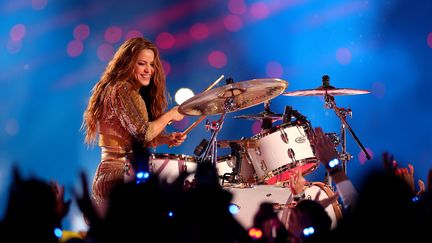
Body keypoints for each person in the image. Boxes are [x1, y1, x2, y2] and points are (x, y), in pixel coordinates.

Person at [81, 37, 186, 216]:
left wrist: (165, 138)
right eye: (142, 64)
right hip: (118, 175)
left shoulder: (122, 90)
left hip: (114, 173)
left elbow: (134, 139)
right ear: (128, 64)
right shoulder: (122, 90)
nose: (149, 70)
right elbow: (143, 133)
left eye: (151, 64)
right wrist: (170, 115)